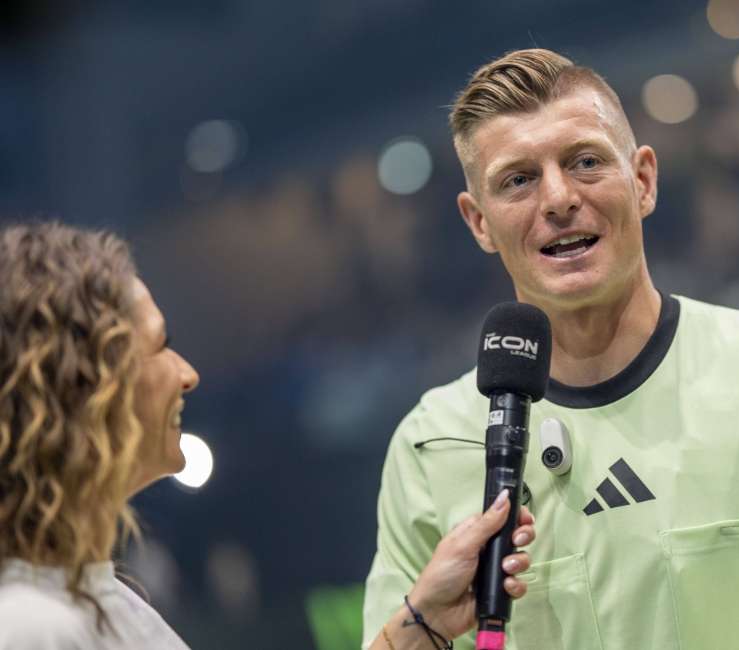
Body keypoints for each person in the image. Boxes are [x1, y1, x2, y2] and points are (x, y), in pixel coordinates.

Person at [362, 49, 739, 649]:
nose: (558, 198)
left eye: (586, 162)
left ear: (644, 181)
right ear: (479, 222)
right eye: (518, 180)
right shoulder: (430, 444)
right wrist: (420, 624)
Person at [0, 222, 536, 650]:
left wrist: (423, 620)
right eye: (160, 346)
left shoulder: (93, 596)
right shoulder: (28, 624)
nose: (187, 374)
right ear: (89, 386)